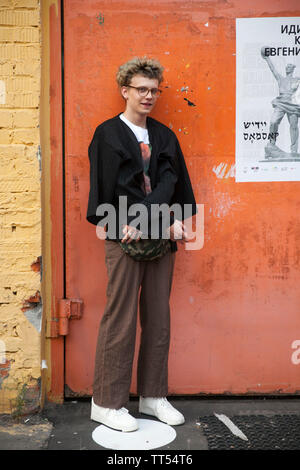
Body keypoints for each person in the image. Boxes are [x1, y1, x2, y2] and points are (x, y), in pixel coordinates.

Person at [86, 57, 197, 432]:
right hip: (125, 238)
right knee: (120, 319)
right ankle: (106, 402)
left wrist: (171, 222)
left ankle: (152, 396)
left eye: (154, 90)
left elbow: (172, 184)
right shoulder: (108, 134)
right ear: (125, 91)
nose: (148, 96)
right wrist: (132, 222)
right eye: (141, 90)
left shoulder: (164, 136)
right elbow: (104, 192)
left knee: (158, 318)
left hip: (161, 238)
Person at [261, 47, 300, 154]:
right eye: (286, 66)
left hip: (292, 105)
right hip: (281, 103)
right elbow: (273, 69)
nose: (287, 68)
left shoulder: (297, 79)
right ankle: (272, 144)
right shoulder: (280, 79)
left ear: (292, 69)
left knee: (293, 126)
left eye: (289, 66)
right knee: (273, 122)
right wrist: (267, 58)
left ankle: (294, 150)